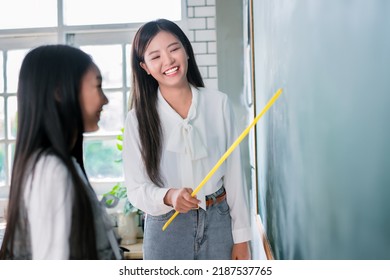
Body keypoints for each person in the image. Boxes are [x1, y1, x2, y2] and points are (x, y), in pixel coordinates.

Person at [123, 19, 252, 260]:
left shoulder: (218, 103)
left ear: (186, 51)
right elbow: (135, 188)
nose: (168, 61)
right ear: (145, 67)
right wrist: (170, 196)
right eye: (155, 56)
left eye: (174, 49)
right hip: (166, 228)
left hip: (219, 222)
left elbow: (235, 175)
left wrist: (242, 237)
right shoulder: (138, 119)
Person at [0, 45, 122, 260]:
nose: (105, 99)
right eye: (98, 86)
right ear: (59, 91)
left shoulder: (60, 164)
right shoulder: (51, 170)